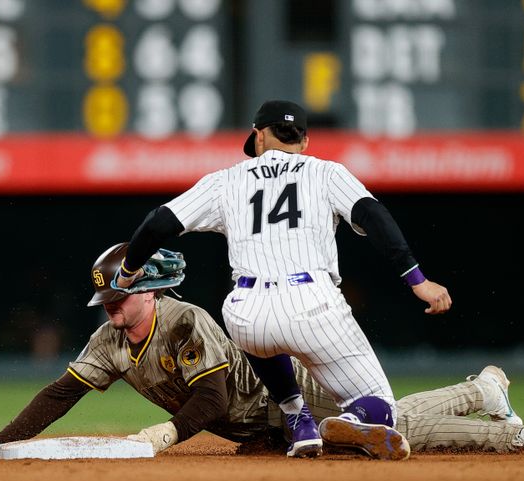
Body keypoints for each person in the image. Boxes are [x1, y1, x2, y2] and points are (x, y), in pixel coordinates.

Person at [0, 245, 524, 458]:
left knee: (398, 428)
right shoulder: (112, 337)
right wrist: (0, 441)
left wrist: (166, 435)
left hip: (298, 398)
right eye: (107, 305)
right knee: (386, 434)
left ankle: (509, 430)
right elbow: (61, 393)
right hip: (271, 427)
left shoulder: (184, 321)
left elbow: (213, 396)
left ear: (148, 291)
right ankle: (483, 391)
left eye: (120, 300)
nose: (111, 312)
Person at [114, 100, 452, 459]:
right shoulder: (327, 173)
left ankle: (296, 416)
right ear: (304, 142)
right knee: (382, 404)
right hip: (314, 306)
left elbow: (159, 222)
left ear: (259, 137)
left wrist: (129, 270)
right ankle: (352, 418)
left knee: (256, 331)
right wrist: (417, 280)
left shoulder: (226, 180)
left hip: (247, 313)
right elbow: (374, 217)